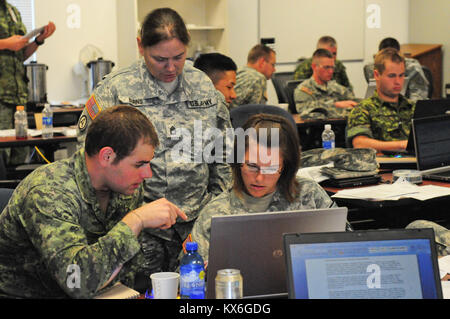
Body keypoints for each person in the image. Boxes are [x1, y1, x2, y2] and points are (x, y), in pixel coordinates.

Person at [76, 8, 232, 279]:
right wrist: (121, 219)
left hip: (196, 225)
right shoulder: (116, 90)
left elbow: (225, 153)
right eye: (160, 59)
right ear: (140, 46)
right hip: (139, 228)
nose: (171, 67)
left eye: (179, 57)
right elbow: (90, 160)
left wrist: (216, 212)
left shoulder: (205, 87)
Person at [0, 105, 187, 298]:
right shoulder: (49, 193)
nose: (147, 174)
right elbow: (77, 282)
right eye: (139, 164)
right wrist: (135, 221)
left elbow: (123, 268)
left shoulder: (125, 186)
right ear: (107, 156)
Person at [190, 113, 344, 262]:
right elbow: (189, 276)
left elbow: (347, 245)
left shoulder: (309, 194)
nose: (259, 178)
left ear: (285, 166)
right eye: (252, 166)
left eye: (271, 168)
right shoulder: (216, 213)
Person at [0, 0, 55, 164]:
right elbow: (11, 45)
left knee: (20, 153)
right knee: (1, 156)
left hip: (17, 96)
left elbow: (20, 54)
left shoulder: (13, 12)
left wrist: (38, 40)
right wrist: (6, 44)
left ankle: (14, 189)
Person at [347, 48, 415, 152]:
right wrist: (401, 145)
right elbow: (360, 143)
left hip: (415, 165)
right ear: (377, 75)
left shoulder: (412, 107)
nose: (398, 81)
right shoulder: (363, 109)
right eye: (392, 76)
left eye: (401, 75)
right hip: (383, 166)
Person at [293, 48, 357, 119]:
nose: (330, 71)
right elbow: (306, 112)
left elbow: (353, 100)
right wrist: (335, 105)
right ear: (314, 67)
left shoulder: (334, 86)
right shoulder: (303, 90)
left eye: (332, 67)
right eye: (326, 67)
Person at [364, 37, 429, 101]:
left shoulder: (412, 67)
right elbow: (373, 90)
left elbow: (419, 95)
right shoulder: (370, 68)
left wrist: (408, 108)